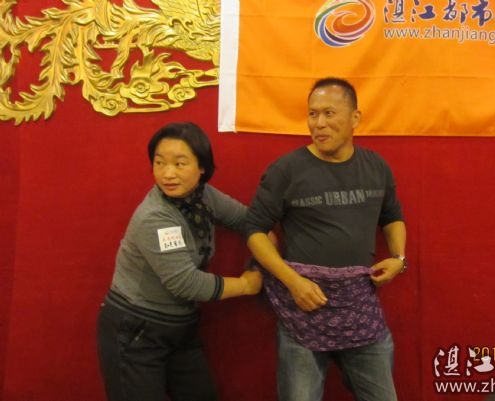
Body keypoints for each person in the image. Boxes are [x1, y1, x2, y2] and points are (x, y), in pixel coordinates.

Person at [246, 77, 408, 401]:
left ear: (355, 118)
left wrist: (398, 258)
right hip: (303, 308)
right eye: (312, 114)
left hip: (359, 308)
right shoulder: (286, 170)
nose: (318, 123)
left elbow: (392, 217)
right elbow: (255, 230)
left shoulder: (376, 167)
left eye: (329, 113)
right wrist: (293, 282)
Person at [96, 121, 262, 401]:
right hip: (136, 330)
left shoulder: (204, 195)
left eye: (179, 163)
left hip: (182, 328)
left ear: (202, 167)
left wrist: (266, 241)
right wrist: (247, 284)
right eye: (159, 163)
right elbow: (187, 284)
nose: (167, 173)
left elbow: (246, 221)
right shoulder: (155, 217)